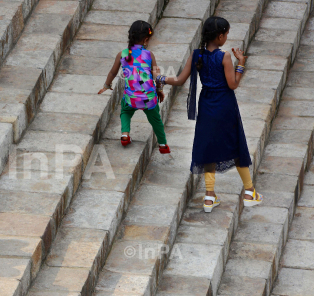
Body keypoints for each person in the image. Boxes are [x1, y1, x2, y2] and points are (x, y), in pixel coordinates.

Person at [156, 16, 263, 212]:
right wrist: (241, 63)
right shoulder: (224, 57)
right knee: (236, 144)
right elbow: (233, 84)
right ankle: (249, 192)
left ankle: (209, 196)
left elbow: (179, 80)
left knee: (209, 146)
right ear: (220, 36)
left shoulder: (197, 55)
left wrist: (160, 78)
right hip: (225, 105)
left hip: (206, 104)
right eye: (227, 34)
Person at [98, 20, 170, 154]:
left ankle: (125, 135)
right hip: (148, 98)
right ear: (146, 40)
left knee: (125, 111)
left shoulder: (122, 54)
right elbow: (156, 75)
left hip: (131, 98)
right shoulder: (149, 55)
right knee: (156, 121)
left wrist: (107, 85)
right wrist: (159, 90)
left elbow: (113, 72)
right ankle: (163, 144)